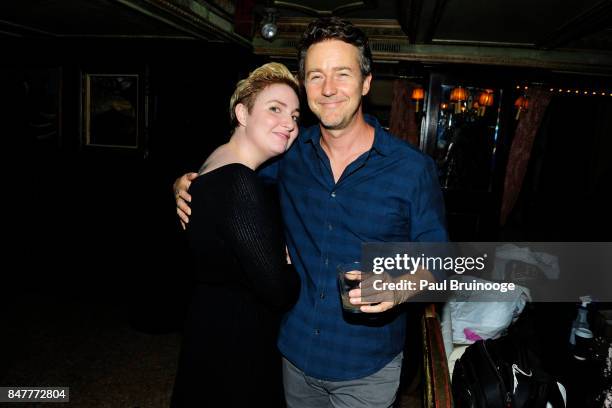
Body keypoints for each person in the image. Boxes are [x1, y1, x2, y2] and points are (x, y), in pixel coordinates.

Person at [173, 18, 447, 408]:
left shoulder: (411, 169)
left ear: (366, 83)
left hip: (366, 366)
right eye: (316, 76)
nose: (329, 88)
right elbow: (231, 174)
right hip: (292, 355)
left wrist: (400, 285)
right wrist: (186, 182)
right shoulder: (289, 153)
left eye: (342, 74)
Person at [170, 62, 301, 408]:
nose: (289, 123)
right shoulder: (241, 181)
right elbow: (278, 291)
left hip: (207, 321)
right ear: (242, 113)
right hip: (238, 337)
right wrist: (288, 263)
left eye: (295, 116)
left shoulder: (210, 163)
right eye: (275, 109)